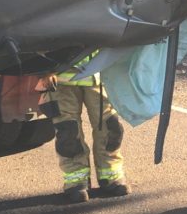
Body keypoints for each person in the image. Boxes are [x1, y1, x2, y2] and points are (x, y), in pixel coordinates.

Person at [46, 62, 129, 204]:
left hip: (100, 75)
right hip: (61, 78)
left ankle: (111, 175)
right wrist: (44, 70)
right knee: (68, 131)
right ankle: (76, 181)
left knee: (110, 126)